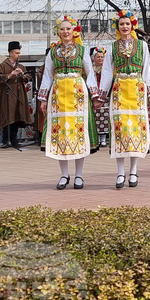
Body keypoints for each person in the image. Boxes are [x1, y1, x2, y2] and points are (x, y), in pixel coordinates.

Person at [37, 16, 101, 189]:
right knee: (61, 135)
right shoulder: (53, 52)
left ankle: (79, 176)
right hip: (58, 96)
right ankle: (64, 175)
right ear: (59, 31)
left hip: (77, 95)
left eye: (68, 29)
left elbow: (90, 74)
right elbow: (47, 76)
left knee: (78, 134)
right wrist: (43, 98)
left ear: (74, 31)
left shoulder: (82, 50)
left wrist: (95, 96)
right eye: (62, 29)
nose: (65, 32)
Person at [99, 10, 150, 188]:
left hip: (137, 90)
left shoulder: (142, 46)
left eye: (127, 24)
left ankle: (133, 171)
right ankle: (119, 173)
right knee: (120, 131)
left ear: (132, 26)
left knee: (136, 131)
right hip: (119, 91)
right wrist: (101, 95)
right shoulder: (112, 47)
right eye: (121, 24)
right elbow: (107, 72)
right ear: (118, 27)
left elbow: (146, 71)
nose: (124, 27)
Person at [0, 40, 32, 149]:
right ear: (10, 53)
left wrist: (23, 76)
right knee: (8, 116)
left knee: (17, 115)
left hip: (19, 94)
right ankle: (5, 140)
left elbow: (28, 77)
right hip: (7, 95)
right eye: (16, 53)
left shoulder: (20, 65)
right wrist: (11, 74)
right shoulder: (3, 65)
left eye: (19, 53)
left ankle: (14, 140)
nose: (18, 55)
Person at [91, 47, 110, 146]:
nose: (100, 59)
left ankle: (103, 138)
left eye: (102, 57)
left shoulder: (107, 69)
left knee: (104, 116)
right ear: (94, 57)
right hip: (94, 92)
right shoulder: (91, 68)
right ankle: (96, 138)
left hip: (104, 93)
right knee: (95, 117)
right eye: (98, 57)